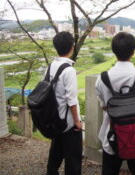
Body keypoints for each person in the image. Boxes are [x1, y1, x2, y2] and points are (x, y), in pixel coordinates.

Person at [95, 32, 135, 175]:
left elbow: (104, 106)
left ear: (114, 51)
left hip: (112, 135)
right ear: (133, 52)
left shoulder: (102, 79)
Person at [47, 31, 82, 175]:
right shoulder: (69, 70)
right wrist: (77, 122)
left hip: (55, 119)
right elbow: (71, 100)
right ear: (72, 47)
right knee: (73, 158)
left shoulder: (52, 65)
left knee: (56, 152)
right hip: (68, 123)